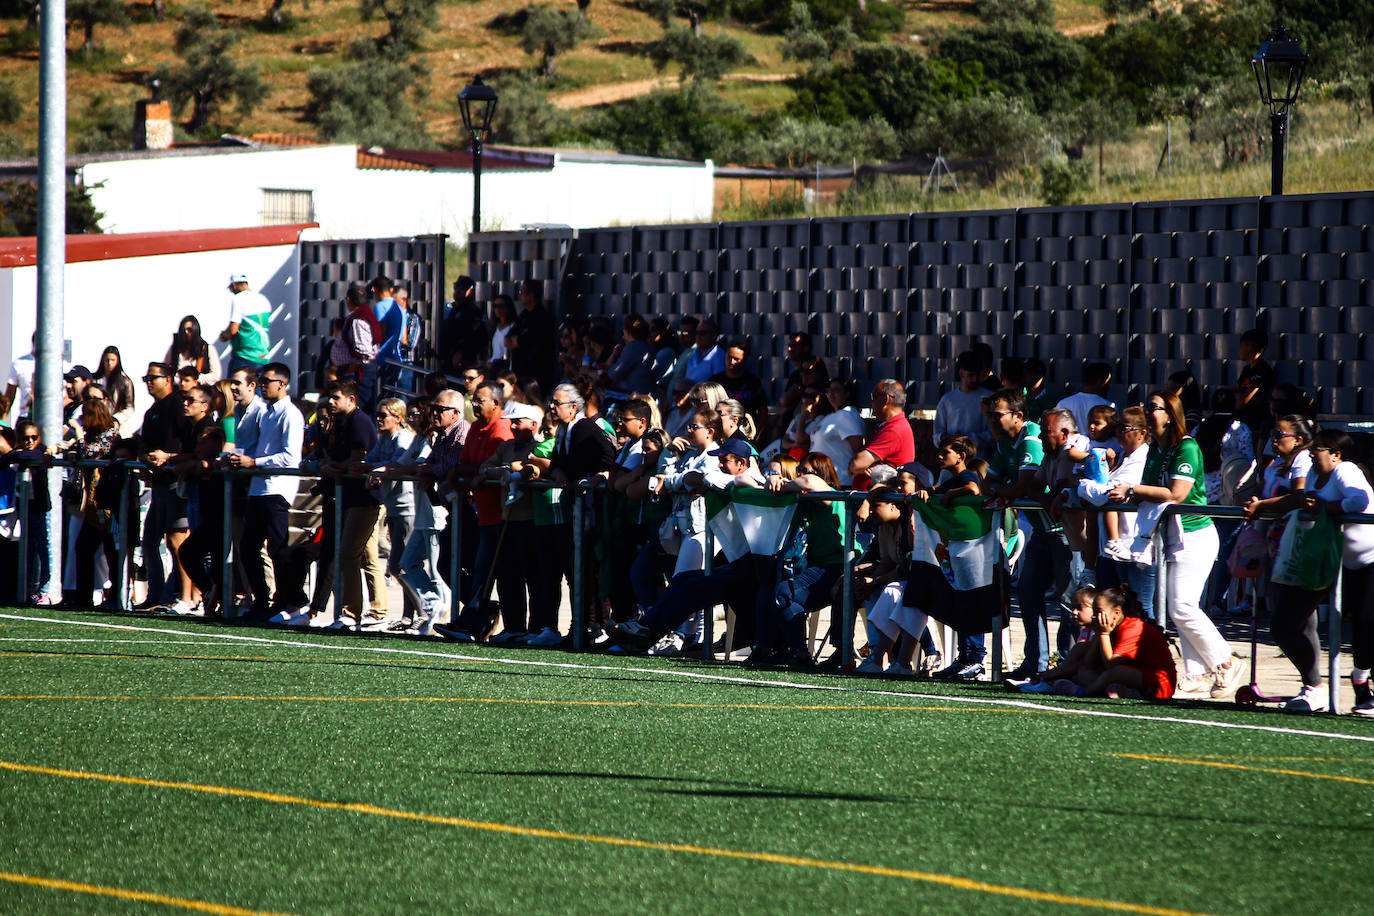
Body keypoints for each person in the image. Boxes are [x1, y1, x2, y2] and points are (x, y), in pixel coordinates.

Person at [1108, 390, 1246, 698]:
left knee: (1182, 606)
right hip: (1170, 535)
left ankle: (1225, 660)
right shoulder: (1155, 449)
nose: (1148, 411)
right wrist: (1134, 490)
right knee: (1178, 606)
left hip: (1194, 534)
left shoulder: (1186, 446)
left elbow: (1177, 493)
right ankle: (1197, 672)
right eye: (1147, 406)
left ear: (1171, 414)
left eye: (1154, 407)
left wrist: (1132, 488)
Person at [1253, 430, 1374, 714]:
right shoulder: (1313, 471)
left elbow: (1359, 502)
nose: (1311, 453)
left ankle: (1360, 684)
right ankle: (1314, 689)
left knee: (1367, 625)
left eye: (1318, 449)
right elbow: (1299, 499)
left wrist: (1326, 508)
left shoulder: (1346, 470)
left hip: (1368, 561)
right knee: (1285, 623)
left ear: (1336, 454)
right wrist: (1261, 506)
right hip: (1330, 561)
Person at [227, 362, 305, 622]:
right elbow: (259, 450)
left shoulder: (290, 414)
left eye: (266, 381)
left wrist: (254, 463)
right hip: (259, 488)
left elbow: (290, 457)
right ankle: (263, 600)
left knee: (278, 549)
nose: (262, 385)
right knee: (249, 548)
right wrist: (242, 459)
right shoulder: (269, 412)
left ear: (282, 384)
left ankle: (290, 600)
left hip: (277, 489)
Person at [319, 379, 386, 628]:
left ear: (351, 399)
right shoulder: (343, 422)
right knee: (367, 558)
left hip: (364, 498)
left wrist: (332, 468)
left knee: (348, 554)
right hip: (352, 497)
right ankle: (378, 612)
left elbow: (356, 462)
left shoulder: (359, 421)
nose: (331, 402)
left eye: (336, 397)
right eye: (330, 397)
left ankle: (351, 613)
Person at [134, 362, 192, 609]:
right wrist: (144, 459)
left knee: (176, 542)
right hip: (158, 485)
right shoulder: (152, 411)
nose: (148, 381)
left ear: (168, 379)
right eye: (146, 377)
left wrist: (169, 457)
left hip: (175, 484)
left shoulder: (177, 406)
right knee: (149, 542)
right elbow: (145, 443)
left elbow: (187, 444)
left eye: (153, 377)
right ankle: (156, 595)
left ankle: (180, 594)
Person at [356, 398, 417, 626]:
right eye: (378, 415)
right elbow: (371, 460)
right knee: (399, 564)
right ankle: (410, 615)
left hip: (407, 506)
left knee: (403, 565)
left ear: (398, 417)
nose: (379, 419)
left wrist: (372, 467)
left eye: (384, 415)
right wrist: (364, 465)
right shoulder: (385, 438)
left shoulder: (404, 438)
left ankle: (420, 613)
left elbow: (395, 462)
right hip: (394, 505)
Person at [65, 398, 119, 607]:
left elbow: (89, 452)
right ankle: (83, 598)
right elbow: (79, 450)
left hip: (109, 505)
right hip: (93, 505)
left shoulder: (111, 434)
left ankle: (116, 597)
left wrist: (78, 435)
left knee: (112, 553)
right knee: (84, 549)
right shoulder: (90, 436)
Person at [849, 379, 914, 488]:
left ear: (886, 399)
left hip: (876, 501)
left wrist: (862, 466)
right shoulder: (891, 426)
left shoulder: (894, 429)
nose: (871, 402)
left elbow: (856, 464)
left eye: (874, 397)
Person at [935, 351, 996, 458]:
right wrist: (946, 438)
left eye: (977, 375)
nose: (975, 379)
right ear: (961, 373)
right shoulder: (947, 400)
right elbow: (937, 436)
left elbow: (993, 435)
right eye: (971, 375)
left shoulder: (989, 398)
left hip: (978, 463)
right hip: (952, 463)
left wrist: (966, 440)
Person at [505, 280, 558, 393]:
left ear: (531, 295)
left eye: (522, 292)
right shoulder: (523, 315)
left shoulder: (542, 317)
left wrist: (518, 341)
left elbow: (524, 340)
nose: (519, 295)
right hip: (519, 372)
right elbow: (508, 339)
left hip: (536, 374)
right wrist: (515, 340)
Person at [709, 336, 768, 430]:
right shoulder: (715, 380)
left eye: (736, 359)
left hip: (747, 429)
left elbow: (762, 410)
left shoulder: (753, 382)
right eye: (729, 357)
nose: (731, 362)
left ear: (744, 361)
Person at [219, 273, 273, 372]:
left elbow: (233, 329)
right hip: (263, 355)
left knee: (235, 386)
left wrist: (223, 336)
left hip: (244, 355)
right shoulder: (262, 299)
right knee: (258, 386)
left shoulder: (239, 298)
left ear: (234, 285)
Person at [1055, 361, 1114, 435]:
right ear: (1100, 382)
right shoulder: (1109, 407)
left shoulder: (1063, 403)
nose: (1108, 387)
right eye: (1108, 383)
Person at [165, 315, 222, 383]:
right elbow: (165, 370)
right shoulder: (174, 348)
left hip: (200, 390)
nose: (186, 333)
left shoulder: (208, 349)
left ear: (195, 331)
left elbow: (215, 376)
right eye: (183, 330)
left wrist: (196, 379)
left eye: (189, 330)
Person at [93, 345, 136, 433]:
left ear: (118, 361)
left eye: (113, 360)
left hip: (118, 426)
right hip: (97, 423)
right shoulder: (96, 380)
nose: (109, 363)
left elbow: (130, 407)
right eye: (107, 360)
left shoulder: (125, 382)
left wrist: (116, 419)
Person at [488, 294, 517, 368]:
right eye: (495, 306)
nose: (497, 309)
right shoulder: (495, 327)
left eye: (500, 306)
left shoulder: (514, 326)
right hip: (493, 366)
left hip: (506, 368)